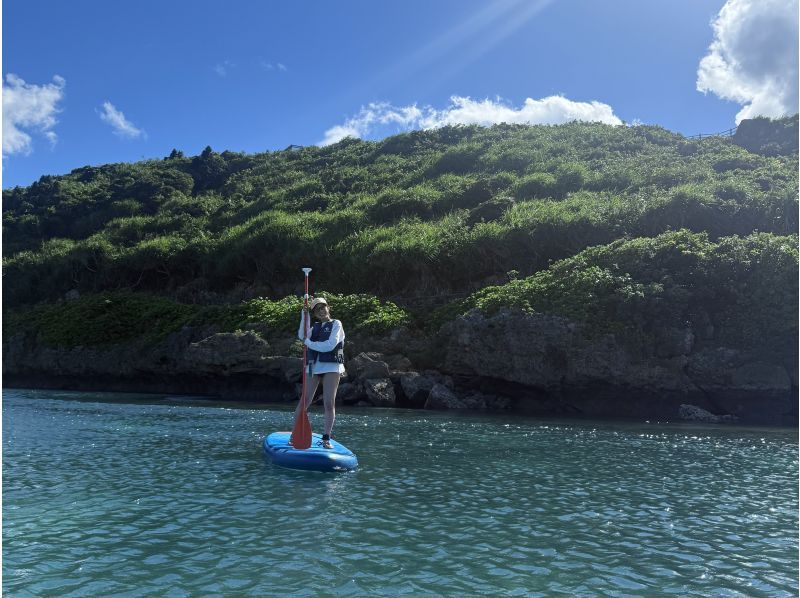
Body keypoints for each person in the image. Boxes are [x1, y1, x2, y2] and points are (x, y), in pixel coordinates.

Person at [294, 297, 345, 449]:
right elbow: (302, 336)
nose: (321, 311)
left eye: (323, 308)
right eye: (317, 310)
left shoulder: (336, 324)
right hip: (313, 366)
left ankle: (326, 438)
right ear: (315, 314)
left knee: (329, 403)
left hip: (332, 366)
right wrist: (305, 316)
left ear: (328, 308)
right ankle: (294, 434)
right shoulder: (314, 327)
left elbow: (329, 346)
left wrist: (308, 343)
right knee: (304, 401)